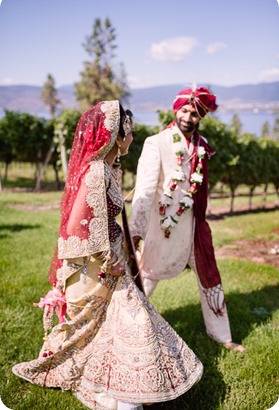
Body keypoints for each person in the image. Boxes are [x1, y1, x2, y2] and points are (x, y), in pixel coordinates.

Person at [12, 100, 203, 410]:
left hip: (109, 261)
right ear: (117, 133)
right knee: (131, 321)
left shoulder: (109, 167)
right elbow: (77, 226)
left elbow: (104, 220)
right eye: (129, 131)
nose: (132, 136)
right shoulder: (98, 171)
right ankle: (119, 389)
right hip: (95, 266)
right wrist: (107, 260)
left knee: (131, 322)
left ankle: (126, 384)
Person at [130, 87, 245, 353]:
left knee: (210, 280)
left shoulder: (202, 147)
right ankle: (121, 331)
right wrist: (136, 230)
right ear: (175, 110)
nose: (188, 117)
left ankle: (222, 336)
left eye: (194, 113)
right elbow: (145, 191)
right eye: (184, 110)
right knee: (145, 280)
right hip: (162, 228)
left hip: (195, 229)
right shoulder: (155, 143)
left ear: (201, 117)